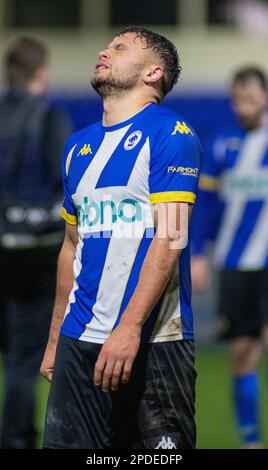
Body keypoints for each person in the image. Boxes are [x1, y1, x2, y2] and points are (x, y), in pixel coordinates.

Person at [41, 26, 202, 450]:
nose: (103, 51)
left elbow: (170, 238)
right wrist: (56, 338)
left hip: (152, 341)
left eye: (120, 47)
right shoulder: (77, 147)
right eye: (108, 45)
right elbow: (71, 248)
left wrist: (128, 328)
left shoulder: (172, 134)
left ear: (153, 72)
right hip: (79, 340)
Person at [0, 36, 72, 448]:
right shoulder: (49, 119)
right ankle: (18, 439)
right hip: (37, 252)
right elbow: (67, 183)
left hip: (2, 251)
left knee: (13, 354)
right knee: (27, 356)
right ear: (40, 73)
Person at [191, 67, 268, 448]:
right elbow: (204, 205)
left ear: (265, 97)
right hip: (235, 263)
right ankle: (251, 441)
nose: (244, 106)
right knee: (241, 354)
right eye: (238, 99)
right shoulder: (222, 144)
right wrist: (199, 254)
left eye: (251, 99)